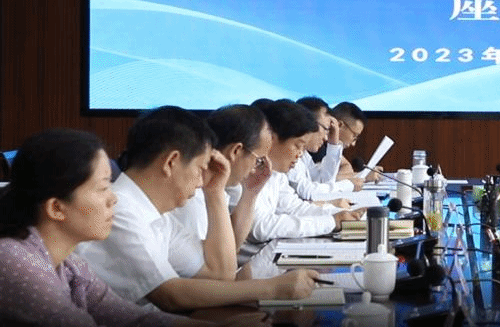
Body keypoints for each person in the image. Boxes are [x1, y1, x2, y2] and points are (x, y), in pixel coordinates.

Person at [75, 106, 319, 311]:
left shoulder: (159, 217)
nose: (203, 180)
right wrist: (272, 288)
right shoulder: (120, 210)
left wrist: (215, 193)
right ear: (171, 162)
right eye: (200, 168)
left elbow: (221, 273)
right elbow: (171, 295)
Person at [0, 128, 186, 326]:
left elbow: (134, 318)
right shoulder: (13, 260)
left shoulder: (72, 265)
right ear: (56, 208)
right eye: (103, 188)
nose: (113, 198)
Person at [246, 99, 365, 250]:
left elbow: (296, 208)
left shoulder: (277, 175)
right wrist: (332, 221)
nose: (300, 154)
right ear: (272, 138)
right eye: (297, 145)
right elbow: (261, 227)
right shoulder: (247, 172)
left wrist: (341, 215)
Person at [171, 104, 273, 253]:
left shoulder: (217, 186)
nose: (254, 169)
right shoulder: (194, 196)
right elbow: (221, 261)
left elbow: (232, 244)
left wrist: (251, 192)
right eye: (258, 160)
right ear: (235, 151)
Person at [289, 96, 358, 198]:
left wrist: (333, 144)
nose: (326, 138)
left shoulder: (305, 156)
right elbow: (308, 192)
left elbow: (323, 182)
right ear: (308, 123)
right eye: (326, 129)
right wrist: (347, 185)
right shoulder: (288, 154)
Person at [330, 101, 380, 185]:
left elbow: (346, 165)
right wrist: (362, 176)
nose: (353, 144)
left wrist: (341, 176)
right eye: (354, 136)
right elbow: (324, 181)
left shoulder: (333, 147)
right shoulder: (319, 146)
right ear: (339, 125)